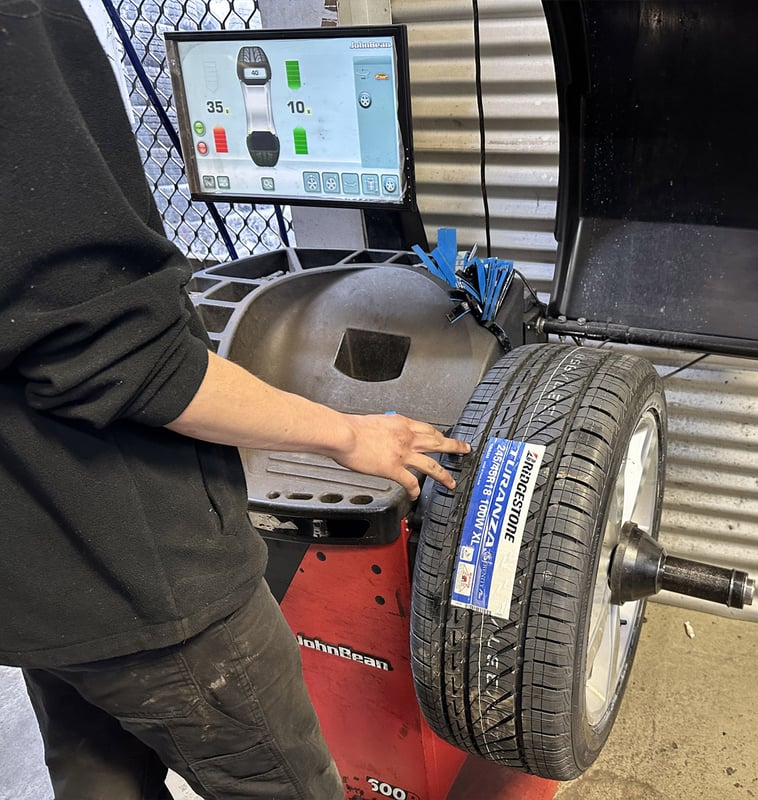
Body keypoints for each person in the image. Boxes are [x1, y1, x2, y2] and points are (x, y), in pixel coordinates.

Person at [0, 1, 470, 798]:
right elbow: (124, 354)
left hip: (34, 571)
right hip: (150, 583)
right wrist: (347, 436)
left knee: (95, 778)